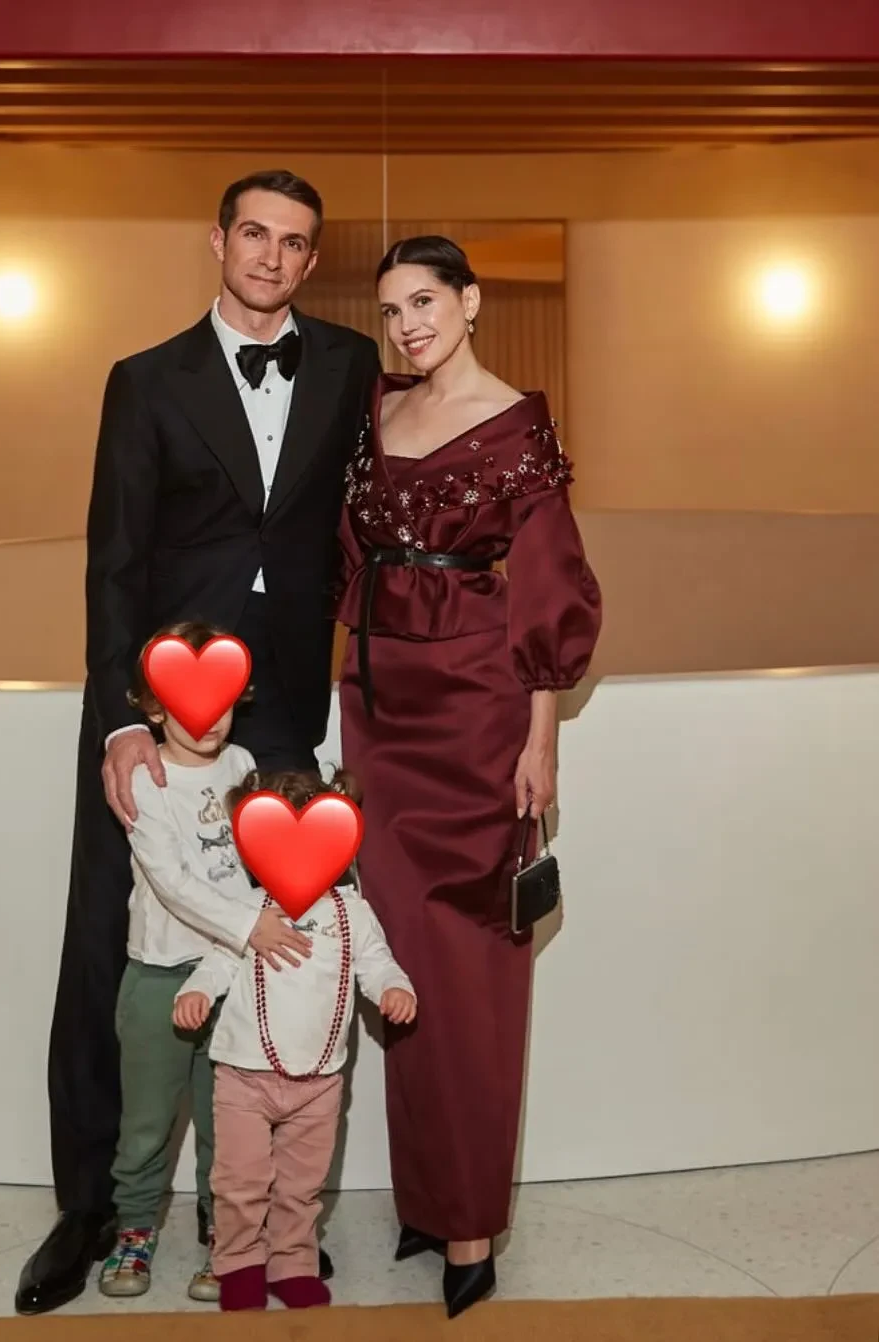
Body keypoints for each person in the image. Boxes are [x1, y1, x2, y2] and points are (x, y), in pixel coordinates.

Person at [15, 170, 382, 1316]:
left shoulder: (350, 366)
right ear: (217, 240)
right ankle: (89, 1207)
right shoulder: (146, 380)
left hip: (285, 706)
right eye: (255, 234)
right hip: (164, 698)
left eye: (296, 242)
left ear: (313, 260)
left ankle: (264, 1218)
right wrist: (122, 717)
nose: (273, 256)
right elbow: (114, 560)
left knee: (287, 942)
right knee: (113, 946)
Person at [335, 236, 603, 1319]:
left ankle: (473, 1221)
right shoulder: (378, 413)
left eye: (426, 301)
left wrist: (541, 740)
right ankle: (425, 1199)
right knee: (402, 957)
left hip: (478, 711)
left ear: (471, 300)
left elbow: (548, 587)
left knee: (478, 965)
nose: (408, 325)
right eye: (392, 309)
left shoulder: (518, 425)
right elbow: (344, 555)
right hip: (379, 709)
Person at [97, 620, 310, 1304]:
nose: (209, 718)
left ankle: (229, 1237)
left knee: (229, 1128)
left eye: (221, 701)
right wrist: (251, 925)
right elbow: (172, 882)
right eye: (190, 703)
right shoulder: (145, 780)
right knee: (146, 1125)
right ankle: (135, 1229)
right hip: (160, 975)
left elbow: (258, 862)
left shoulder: (243, 765)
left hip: (231, 977)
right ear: (153, 709)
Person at [173, 766, 416, 1312]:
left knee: (301, 1186)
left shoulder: (352, 912)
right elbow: (218, 960)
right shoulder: (249, 911)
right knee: (239, 1182)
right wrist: (197, 992)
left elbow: (377, 962)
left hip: (319, 1084)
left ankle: (292, 1262)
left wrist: (394, 988)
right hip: (244, 1078)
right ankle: (238, 1262)